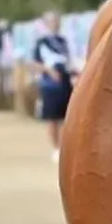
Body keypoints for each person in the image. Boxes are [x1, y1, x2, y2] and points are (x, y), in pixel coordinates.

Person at [30, 10, 75, 163]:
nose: (55, 24)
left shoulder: (63, 41)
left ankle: (63, 147)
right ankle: (55, 147)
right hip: (49, 84)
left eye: (57, 21)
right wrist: (49, 70)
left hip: (65, 82)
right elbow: (35, 63)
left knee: (65, 117)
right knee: (51, 118)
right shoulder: (42, 42)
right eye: (52, 21)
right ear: (47, 24)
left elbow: (68, 60)